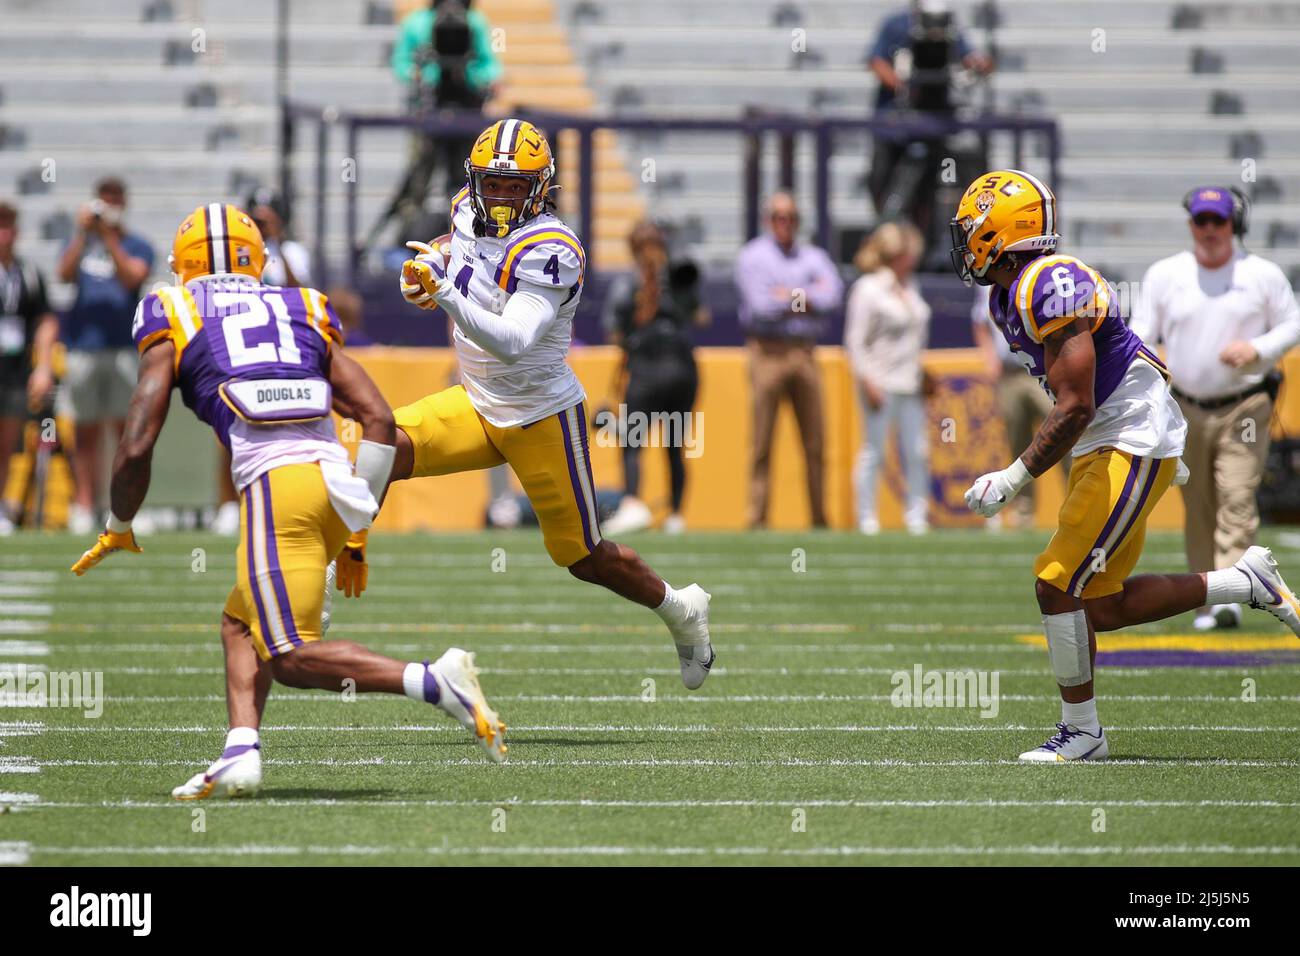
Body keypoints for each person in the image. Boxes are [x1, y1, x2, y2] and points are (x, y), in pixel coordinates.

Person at [70, 203, 507, 800]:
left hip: (278, 491)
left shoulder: (171, 307)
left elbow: (138, 438)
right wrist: (355, 533)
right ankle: (241, 752)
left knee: (293, 657)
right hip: (334, 487)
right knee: (238, 623)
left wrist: (119, 521)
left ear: (183, 265)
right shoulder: (301, 303)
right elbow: (377, 417)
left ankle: (434, 681)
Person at [950, 169, 1300, 762]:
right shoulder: (1008, 292)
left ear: (1002, 234)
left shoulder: (1048, 283)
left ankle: (1083, 732)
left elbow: (1077, 403)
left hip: (1125, 437)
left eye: (972, 230)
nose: (964, 241)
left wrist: (1013, 478)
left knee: (1056, 582)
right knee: (1099, 604)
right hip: (1116, 437)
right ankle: (1244, 582)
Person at [390, 119, 717, 688]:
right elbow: (459, 254)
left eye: (516, 187)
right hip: (476, 402)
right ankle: (324, 568)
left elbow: (513, 341)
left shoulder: (553, 248)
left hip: (539, 414)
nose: (501, 196)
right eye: (494, 183)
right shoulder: (465, 207)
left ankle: (680, 609)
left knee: (584, 557)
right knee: (379, 443)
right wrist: (428, 271)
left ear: (541, 188)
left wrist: (442, 293)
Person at [1130, 187, 1300, 631]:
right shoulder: (1166, 274)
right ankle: (1209, 598)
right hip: (1183, 407)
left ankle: (1232, 598)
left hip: (1244, 403)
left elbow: (1293, 322)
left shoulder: (1260, 274)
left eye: (1218, 221)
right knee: (1199, 503)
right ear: (1190, 225)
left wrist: (1258, 348)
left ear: (1234, 226)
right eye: (1201, 221)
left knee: (1237, 497)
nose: (1209, 231)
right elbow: (1141, 331)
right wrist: (1153, 368)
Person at [734, 191, 844, 528]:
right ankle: (757, 518)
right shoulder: (753, 256)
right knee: (762, 443)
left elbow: (833, 295)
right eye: (780, 217)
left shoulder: (812, 255)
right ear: (769, 220)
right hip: (767, 352)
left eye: (791, 217)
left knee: (815, 442)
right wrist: (805, 295)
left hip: (804, 351)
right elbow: (760, 305)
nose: (786, 223)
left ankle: (819, 518)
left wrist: (787, 295)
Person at [56, 177, 154, 534]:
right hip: (84, 346)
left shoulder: (136, 244)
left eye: (114, 198)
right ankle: (85, 504)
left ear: (123, 202)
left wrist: (110, 237)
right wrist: (83, 235)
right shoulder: (80, 243)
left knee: (125, 431)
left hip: (124, 348)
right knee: (85, 431)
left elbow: (132, 279)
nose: (109, 204)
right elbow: (63, 274)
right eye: (104, 198)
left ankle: (125, 507)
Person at [600, 221, 704, 535]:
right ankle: (675, 516)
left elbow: (615, 333)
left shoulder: (625, 285)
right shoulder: (676, 280)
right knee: (675, 445)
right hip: (683, 370)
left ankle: (632, 504)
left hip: (646, 370)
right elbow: (700, 316)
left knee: (632, 441)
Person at [376, 0, 504, 245]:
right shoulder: (416, 22)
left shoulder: (475, 22)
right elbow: (401, 62)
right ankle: (406, 244)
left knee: (465, 181)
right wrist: (421, 74)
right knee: (417, 183)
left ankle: (471, 242)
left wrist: (481, 78)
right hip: (428, 117)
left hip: (465, 115)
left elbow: (489, 64)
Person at [866, 1, 993, 226]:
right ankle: (885, 228)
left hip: (935, 124)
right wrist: (903, 85)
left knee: (930, 192)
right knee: (882, 184)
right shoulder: (896, 25)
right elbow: (876, 61)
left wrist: (978, 64)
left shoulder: (950, 29)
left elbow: (969, 59)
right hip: (895, 125)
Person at [843, 221, 931, 535]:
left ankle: (916, 515)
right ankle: (867, 516)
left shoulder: (911, 285)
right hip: (881, 381)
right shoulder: (869, 288)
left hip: (910, 382)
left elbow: (917, 336)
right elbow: (855, 341)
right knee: (874, 450)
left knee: (918, 450)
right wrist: (867, 380)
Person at [970, 282, 1067, 529]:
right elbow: (980, 320)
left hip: (1042, 371)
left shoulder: (1040, 275)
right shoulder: (989, 284)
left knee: (1064, 433)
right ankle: (1023, 514)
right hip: (1009, 372)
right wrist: (989, 359)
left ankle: (1078, 502)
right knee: (1017, 442)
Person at [0, 201, 59, 533]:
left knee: (7, 443)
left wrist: (44, 367)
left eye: (9, 226)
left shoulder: (28, 274)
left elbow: (45, 320)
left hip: (13, 370)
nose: (4, 234)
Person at [247, 187, 312, 288]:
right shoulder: (244, 249)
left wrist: (277, 242)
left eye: (268, 220)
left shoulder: (293, 251)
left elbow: (297, 289)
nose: (262, 225)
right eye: (257, 220)